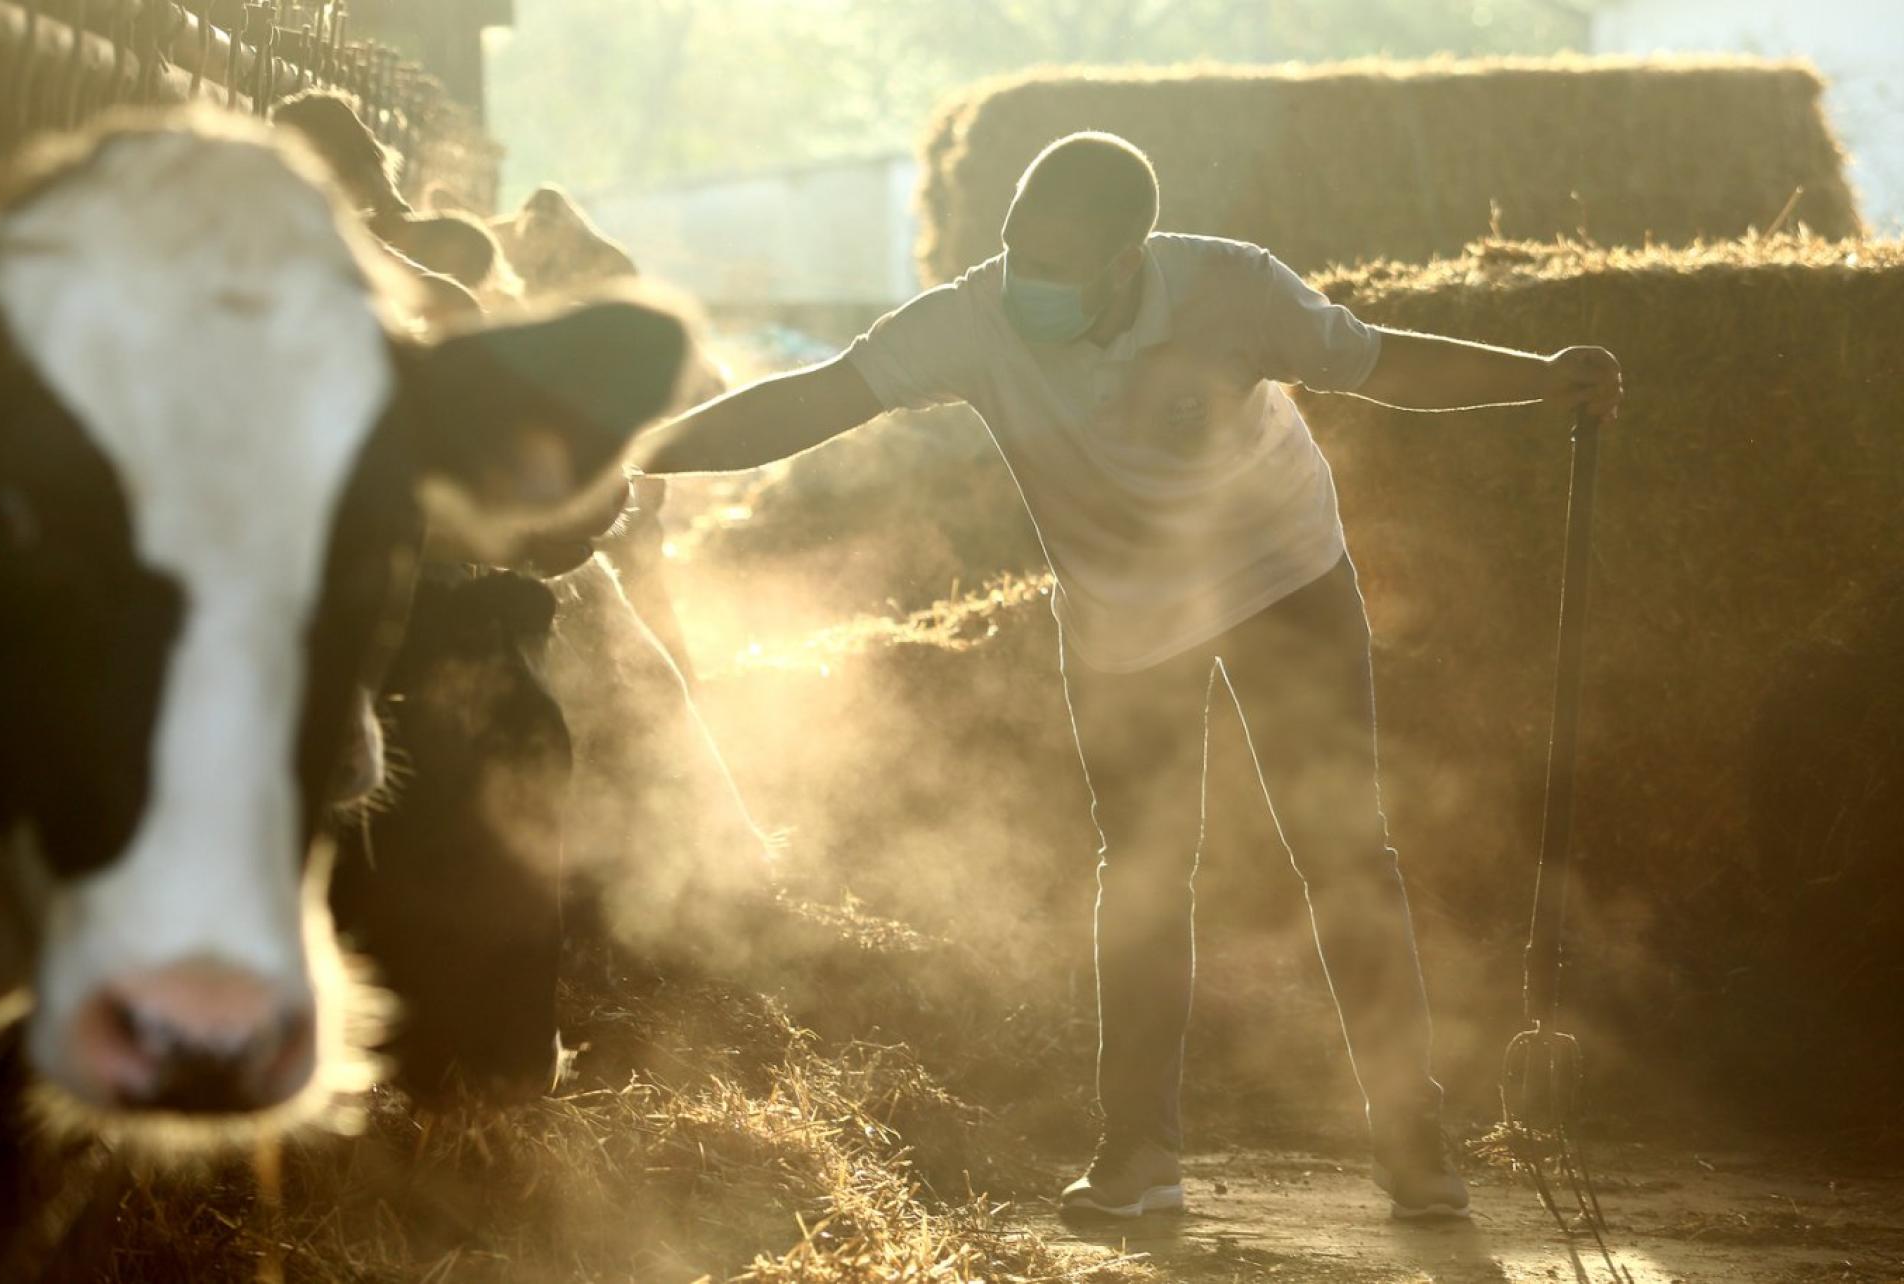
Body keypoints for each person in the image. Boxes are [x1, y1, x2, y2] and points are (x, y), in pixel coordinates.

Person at [631, 131, 1624, 1223]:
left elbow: (1382, 363)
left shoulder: (1233, 289)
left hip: (1281, 580)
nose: (1028, 283)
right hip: (1123, 622)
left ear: (1126, 258)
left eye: (1056, 266)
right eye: (1018, 252)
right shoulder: (976, 316)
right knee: (1145, 869)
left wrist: (1539, 380)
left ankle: (1412, 1142)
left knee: (1343, 851)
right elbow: (815, 400)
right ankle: (1138, 1155)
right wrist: (631, 454)